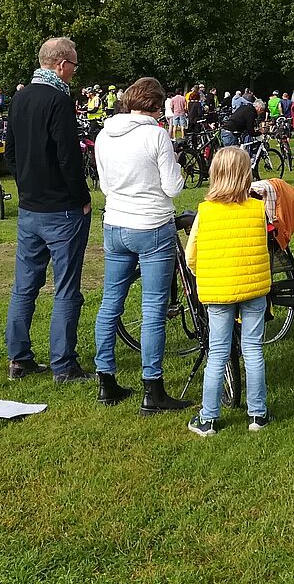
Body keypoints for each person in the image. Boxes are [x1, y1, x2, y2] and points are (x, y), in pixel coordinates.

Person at [90, 77, 191, 413]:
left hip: (115, 223)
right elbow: (174, 187)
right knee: (153, 308)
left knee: (110, 303)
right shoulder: (156, 135)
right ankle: (153, 389)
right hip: (151, 225)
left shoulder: (104, 134)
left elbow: (104, 182)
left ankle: (105, 380)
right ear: (155, 105)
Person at [3, 37, 94, 383]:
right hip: (62, 208)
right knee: (66, 287)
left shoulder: (20, 97)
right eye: (73, 66)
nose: (74, 72)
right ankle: (64, 364)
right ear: (60, 64)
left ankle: (20, 357)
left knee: (24, 286)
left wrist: (26, 184)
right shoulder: (58, 100)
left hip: (30, 207)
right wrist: (81, 195)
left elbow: (10, 151)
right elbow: (68, 157)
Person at [188, 147, 273, 437]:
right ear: (247, 175)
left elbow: (191, 256)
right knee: (253, 349)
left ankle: (208, 418)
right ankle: (258, 414)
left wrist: (206, 273)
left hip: (218, 290)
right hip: (254, 288)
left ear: (215, 174)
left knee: (218, 353)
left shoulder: (205, 211)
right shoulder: (257, 208)